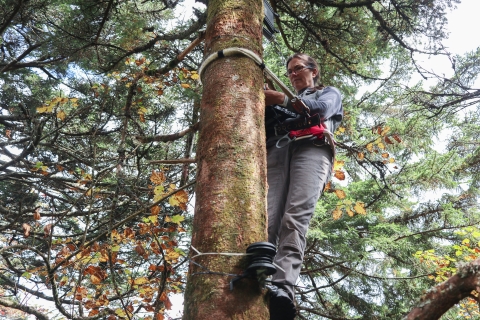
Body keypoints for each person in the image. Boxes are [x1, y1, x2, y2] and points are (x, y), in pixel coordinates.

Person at [263, 53, 343, 319]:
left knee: (295, 217)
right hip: (276, 151)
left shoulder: (328, 93)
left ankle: (283, 287)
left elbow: (320, 111)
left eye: (298, 69)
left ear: (314, 70)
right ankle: (258, 275)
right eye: (289, 72)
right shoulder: (280, 103)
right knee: (268, 218)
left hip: (312, 149)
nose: (293, 74)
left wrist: (284, 100)